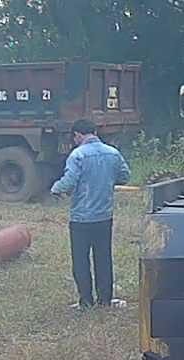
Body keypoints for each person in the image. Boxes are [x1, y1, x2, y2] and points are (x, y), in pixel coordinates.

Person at [50, 119, 131, 309]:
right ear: (94, 132)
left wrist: (55, 189)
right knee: (103, 258)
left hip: (81, 217)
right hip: (104, 215)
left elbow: (69, 181)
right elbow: (125, 176)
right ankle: (105, 300)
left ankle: (85, 302)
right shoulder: (113, 153)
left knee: (81, 260)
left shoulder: (77, 155)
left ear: (78, 135)